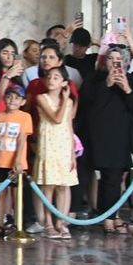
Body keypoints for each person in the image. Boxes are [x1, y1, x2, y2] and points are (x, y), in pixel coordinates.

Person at [76, 47, 133, 235]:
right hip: (92, 136)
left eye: (118, 59)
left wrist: (128, 89)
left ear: (124, 62)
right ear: (105, 61)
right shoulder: (94, 78)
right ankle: (71, 214)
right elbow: (87, 104)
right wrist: (107, 84)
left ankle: (110, 218)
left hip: (118, 137)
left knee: (112, 180)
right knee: (82, 176)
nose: (114, 62)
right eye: (111, 58)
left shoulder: (131, 80)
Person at [34, 66, 79, 239]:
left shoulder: (69, 102)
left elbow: (68, 125)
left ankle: (61, 221)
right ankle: (48, 222)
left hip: (64, 143)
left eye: (56, 77)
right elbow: (56, 118)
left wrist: (72, 153)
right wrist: (66, 99)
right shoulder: (41, 98)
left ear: (64, 82)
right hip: (48, 142)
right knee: (48, 184)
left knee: (63, 185)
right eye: (49, 77)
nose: (51, 80)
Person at [0, 84, 32, 234]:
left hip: (15, 163)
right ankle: (0, 223)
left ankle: (17, 223)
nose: (12, 100)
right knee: (0, 193)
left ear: (23, 102)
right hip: (0, 161)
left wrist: (18, 160)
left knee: (16, 194)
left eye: (17, 98)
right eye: (9, 96)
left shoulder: (25, 117)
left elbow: (21, 139)